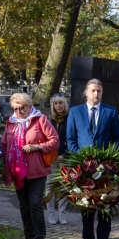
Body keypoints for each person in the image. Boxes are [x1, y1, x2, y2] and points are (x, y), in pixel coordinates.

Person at [66, 78, 119, 239]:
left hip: (106, 168)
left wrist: (110, 157)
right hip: (83, 168)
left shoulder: (110, 112)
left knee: (105, 205)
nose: (96, 94)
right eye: (93, 90)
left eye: (99, 91)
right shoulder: (75, 112)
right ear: (86, 92)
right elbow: (70, 138)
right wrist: (80, 158)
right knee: (87, 204)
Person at [2, 92, 59, 239]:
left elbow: (55, 140)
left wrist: (37, 147)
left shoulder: (40, 120)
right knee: (24, 206)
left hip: (36, 170)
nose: (19, 111)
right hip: (18, 171)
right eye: (16, 108)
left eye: (22, 107)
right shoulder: (10, 123)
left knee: (35, 204)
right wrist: (7, 162)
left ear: (29, 106)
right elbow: (4, 144)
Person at [45, 93, 70, 225]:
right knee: (50, 185)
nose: (58, 106)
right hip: (52, 157)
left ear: (65, 104)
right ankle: (51, 213)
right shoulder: (49, 120)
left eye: (60, 103)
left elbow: (72, 139)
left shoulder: (70, 118)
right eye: (56, 103)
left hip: (66, 157)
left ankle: (62, 213)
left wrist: (65, 154)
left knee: (64, 185)